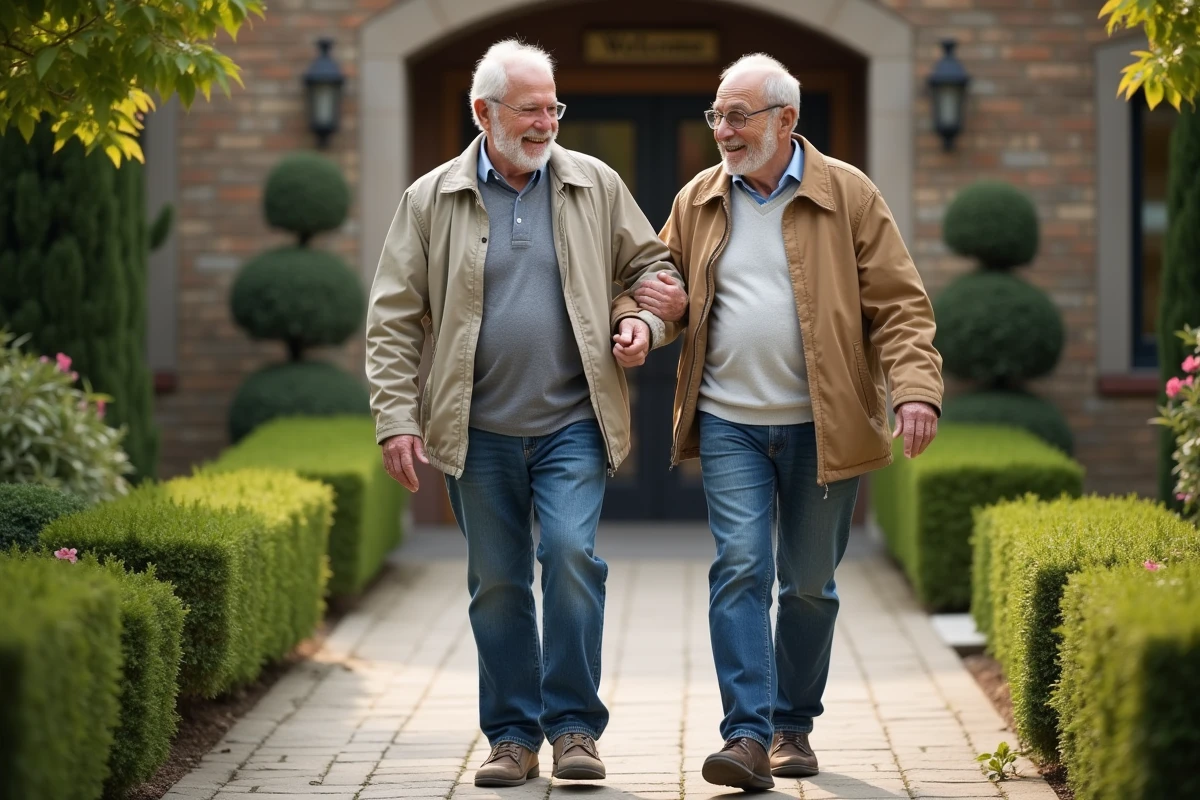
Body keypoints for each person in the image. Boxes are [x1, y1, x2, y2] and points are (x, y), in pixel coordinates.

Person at [364, 39, 679, 788]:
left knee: (570, 557)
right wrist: (396, 418)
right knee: (498, 584)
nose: (546, 123)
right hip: (475, 431)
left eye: (554, 108)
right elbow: (393, 318)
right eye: (530, 109)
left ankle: (573, 728)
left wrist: (645, 321)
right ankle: (511, 736)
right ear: (484, 112)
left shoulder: (594, 184)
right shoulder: (430, 198)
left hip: (573, 421)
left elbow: (653, 269)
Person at [634, 53, 943, 790]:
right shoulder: (698, 199)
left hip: (823, 425)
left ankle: (791, 725)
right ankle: (745, 736)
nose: (723, 130)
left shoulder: (849, 195)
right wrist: (653, 317)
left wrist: (915, 390)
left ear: (786, 119)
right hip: (729, 420)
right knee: (741, 567)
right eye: (716, 115)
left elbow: (900, 305)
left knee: (808, 584)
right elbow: (657, 284)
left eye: (738, 116)